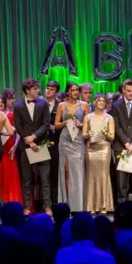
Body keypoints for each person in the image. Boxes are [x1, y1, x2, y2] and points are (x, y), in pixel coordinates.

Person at [14, 78, 52, 216]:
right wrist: (29, 141)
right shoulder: (18, 106)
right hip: (26, 146)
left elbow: (46, 124)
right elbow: (19, 126)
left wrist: (34, 137)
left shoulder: (43, 104)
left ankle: (47, 207)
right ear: (27, 90)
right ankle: (27, 207)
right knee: (27, 178)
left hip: (41, 144)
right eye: (35, 88)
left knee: (44, 178)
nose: (38, 91)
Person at [55, 82, 90, 212]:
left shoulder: (85, 106)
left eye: (77, 90)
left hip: (78, 140)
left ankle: (79, 205)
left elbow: (88, 125)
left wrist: (80, 124)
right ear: (68, 91)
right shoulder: (61, 105)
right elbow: (56, 125)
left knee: (79, 171)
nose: (75, 92)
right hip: (65, 140)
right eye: (73, 90)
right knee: (66, 171)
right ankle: (66, 204)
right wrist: (66, 122)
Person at [83, 94, 115, 213]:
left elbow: (112, 137)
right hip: (91, 149)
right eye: (99, 100)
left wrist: (106, 133)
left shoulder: (109, 118)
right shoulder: (88, 117)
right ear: (94, 101)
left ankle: (104, 206)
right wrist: (88, 134)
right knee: (91, 176)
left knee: (103, 175)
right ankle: (91, 206)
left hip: (104, 149)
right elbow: (83, 135)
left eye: (103, 101)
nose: (101, 102)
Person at [0, 89, 22, 204]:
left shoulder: (16, 113)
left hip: (11, 146)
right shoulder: (0, 114)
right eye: (9, 99)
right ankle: (3, 202)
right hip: (0, 146)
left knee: (11, 174)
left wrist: (15, 146)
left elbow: (19, 132)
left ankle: (13, 201)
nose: (12, 101)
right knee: (2, 173)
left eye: (13, 98)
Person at [45, 81, 61, 206]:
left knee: (54, 174)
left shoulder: (60, 106)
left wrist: (54, 127)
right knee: (43, 176)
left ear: (56, 92)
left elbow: (64, 124)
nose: (48, 91)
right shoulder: (40, 104)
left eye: (51, 89)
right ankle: (45, 203)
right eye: (47, 88)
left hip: (55, 143)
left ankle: (54, 203)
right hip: (42, 144)